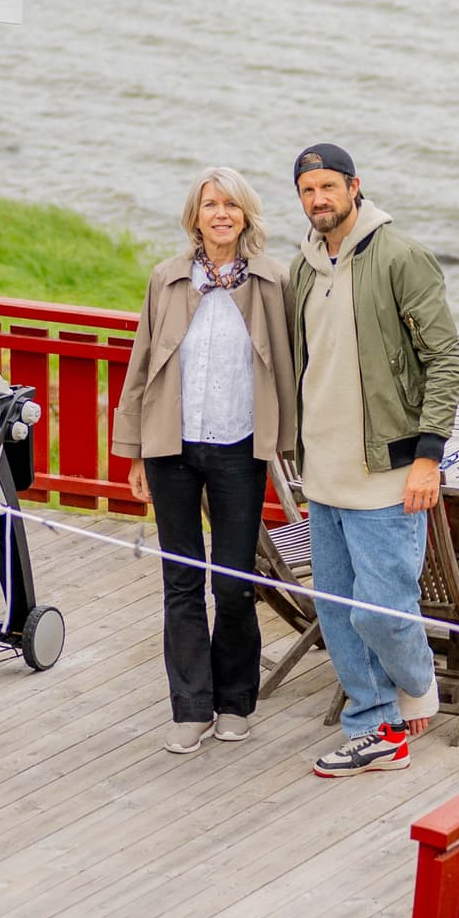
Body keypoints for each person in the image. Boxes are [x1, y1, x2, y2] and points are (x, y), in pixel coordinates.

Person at [283, 142, 459, 777]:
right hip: (324, 475)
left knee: (380, 612)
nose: (319, 199)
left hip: (388, 473)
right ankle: (375, 726)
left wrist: (428, 457)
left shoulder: (400, 256)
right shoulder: (302, 267)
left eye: (329, 187)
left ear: (355, 187)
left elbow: (447, 360)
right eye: (308, 190)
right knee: (335, 611)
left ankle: (416, 687)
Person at [111, 168, 298, 752]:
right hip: (172, 448)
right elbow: (142, 366)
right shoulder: (166, 280)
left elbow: (296, 366)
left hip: (241, 448)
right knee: (181, 581)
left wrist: (294, 447)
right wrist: (135, 449)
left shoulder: (274, 281)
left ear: (246, 215)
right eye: (210, 204)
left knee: (236, 584)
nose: (221, 213)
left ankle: (236, 701)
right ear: (194, 216)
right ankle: (190, 706)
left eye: (232, 205)